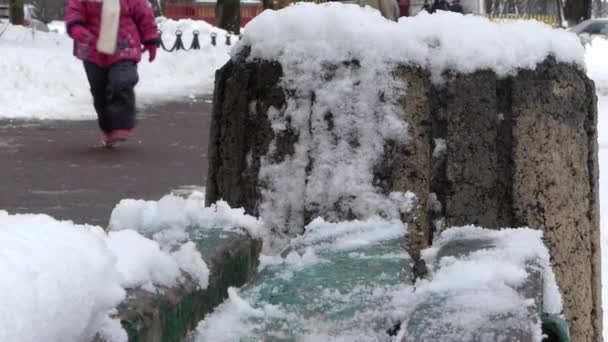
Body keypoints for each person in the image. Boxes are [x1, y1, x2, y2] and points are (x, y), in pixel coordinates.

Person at [65, 0, 159, 147]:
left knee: (122, 81)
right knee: (99, 92)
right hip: (92, 49)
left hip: (124, 44)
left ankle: (121, 123)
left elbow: (144, 14)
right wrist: (76, 27)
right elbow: (74, 12)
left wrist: (151, 40)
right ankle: (109, 129)